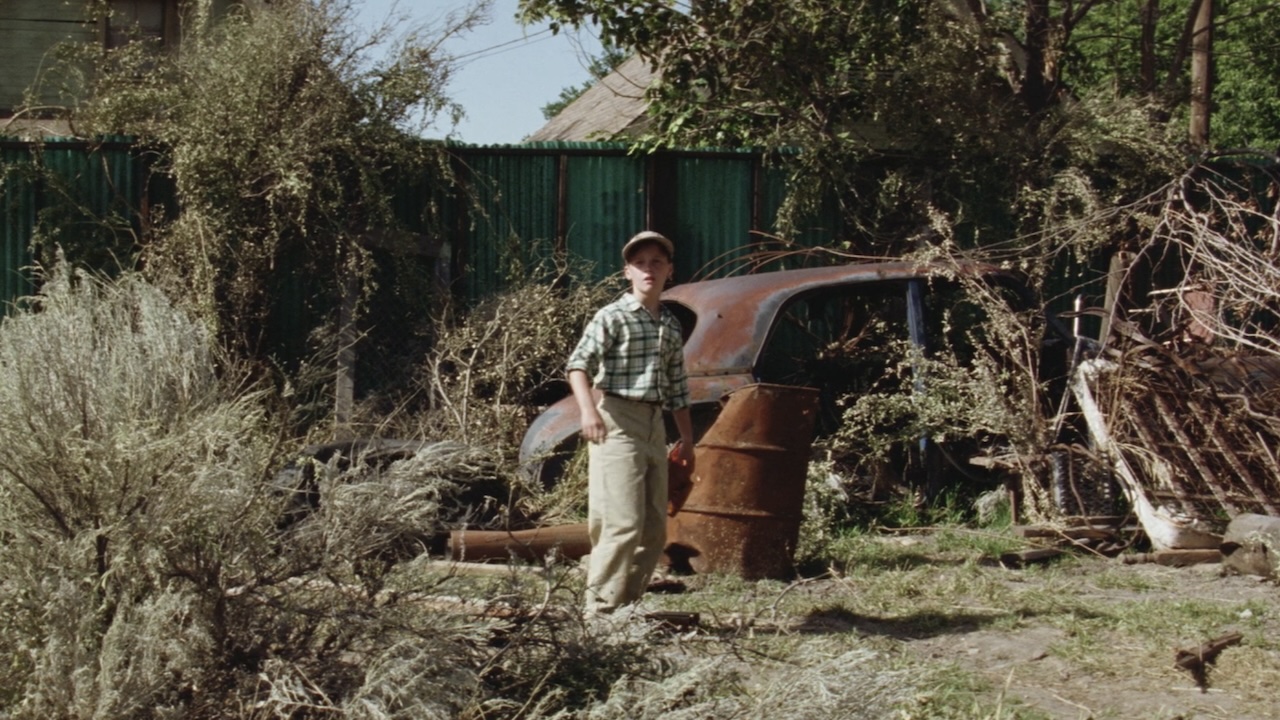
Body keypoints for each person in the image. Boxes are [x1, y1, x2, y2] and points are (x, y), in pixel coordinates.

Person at [566, 230, 696, 616]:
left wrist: (687, 442)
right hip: (616, 421)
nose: (648, 270)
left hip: (655, 424)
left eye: (657, 262)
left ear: (669, 270)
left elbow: (678, 389)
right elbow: (577, 365)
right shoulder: (612, 316)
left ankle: (627, 608)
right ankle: (599, 613)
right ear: (628, 272)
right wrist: (588, 412)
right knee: (621, 524)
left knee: (654, 529)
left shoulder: (670, 326)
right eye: (640, 264)